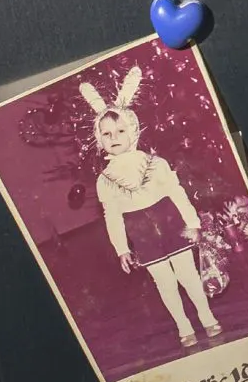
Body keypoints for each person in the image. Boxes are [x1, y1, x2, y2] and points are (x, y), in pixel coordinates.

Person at [79, 67, 220, 351]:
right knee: (165, 283)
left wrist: (192, 223)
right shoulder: (104, 180)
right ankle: (184, 327)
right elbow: (112, 217)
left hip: (171, 223)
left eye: (120, 130)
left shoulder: (156, 163)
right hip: (142, 234)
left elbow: (177, 193)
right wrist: (122, 249)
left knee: (188, 276)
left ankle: (207, 318)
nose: (114, 137)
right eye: (106, 133)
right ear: (99, 139)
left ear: (133, 130)